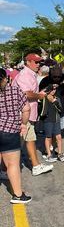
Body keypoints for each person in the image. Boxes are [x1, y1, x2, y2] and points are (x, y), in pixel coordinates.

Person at [12, 53, 53, 176]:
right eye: (36, 62)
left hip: (28, 114)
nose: (38, 64)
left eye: (40, 62)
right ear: (28, 62)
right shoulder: (25, 75)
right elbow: (25, 94)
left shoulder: (30, 74)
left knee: (30, 140)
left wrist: (41, 93)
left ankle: (36, 166)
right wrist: (40, 95)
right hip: (23, 115)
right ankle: (5, 169)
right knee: (14, 145)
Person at [0, 68, 32, 203]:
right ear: (5, 78)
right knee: (12, 164)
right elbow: (26, 109)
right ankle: (18, 195)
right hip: (9, 131)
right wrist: (23, 124)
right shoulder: (15, 90)